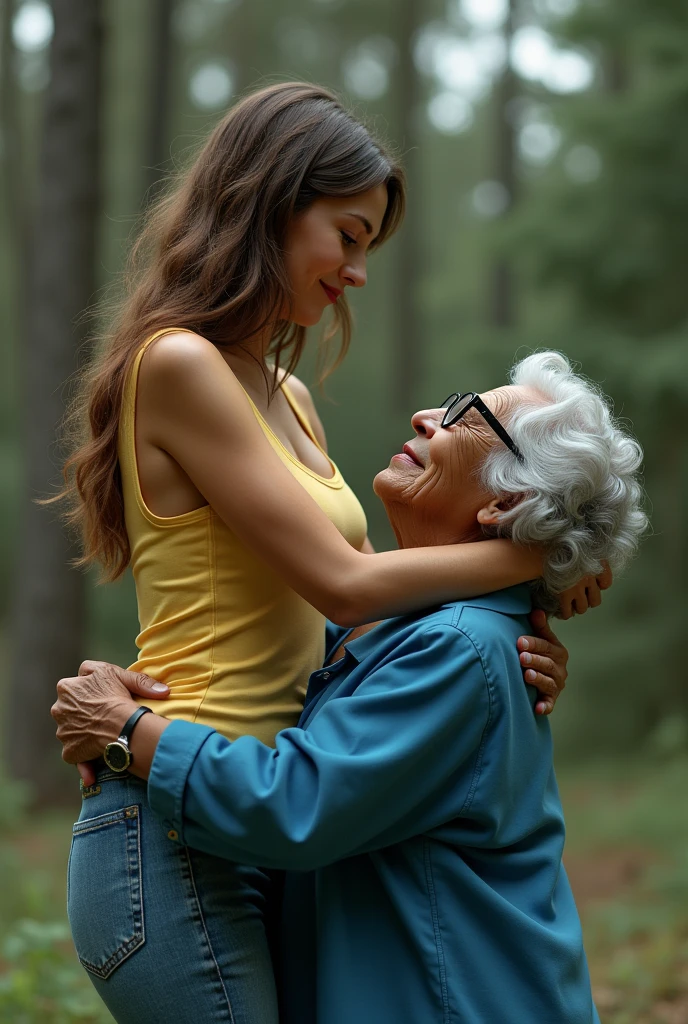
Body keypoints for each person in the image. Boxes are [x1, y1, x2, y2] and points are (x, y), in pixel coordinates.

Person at [54, 81, 604, 1023]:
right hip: (178, 826)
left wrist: (518, 648)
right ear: (271, 204)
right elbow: (348, 586)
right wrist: (534, 560)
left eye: (368, 247)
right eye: (346, 236)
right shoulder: (179, 363)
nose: (357, 271)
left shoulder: (289, 398)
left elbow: (330, 625)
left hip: (262, 812)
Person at [53, 352, 645, 1024]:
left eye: (464, 418)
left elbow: (296, 805)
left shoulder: (458, 648)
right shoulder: (417, 634)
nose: (426, 417)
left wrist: (127, 730)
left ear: (506, 502)